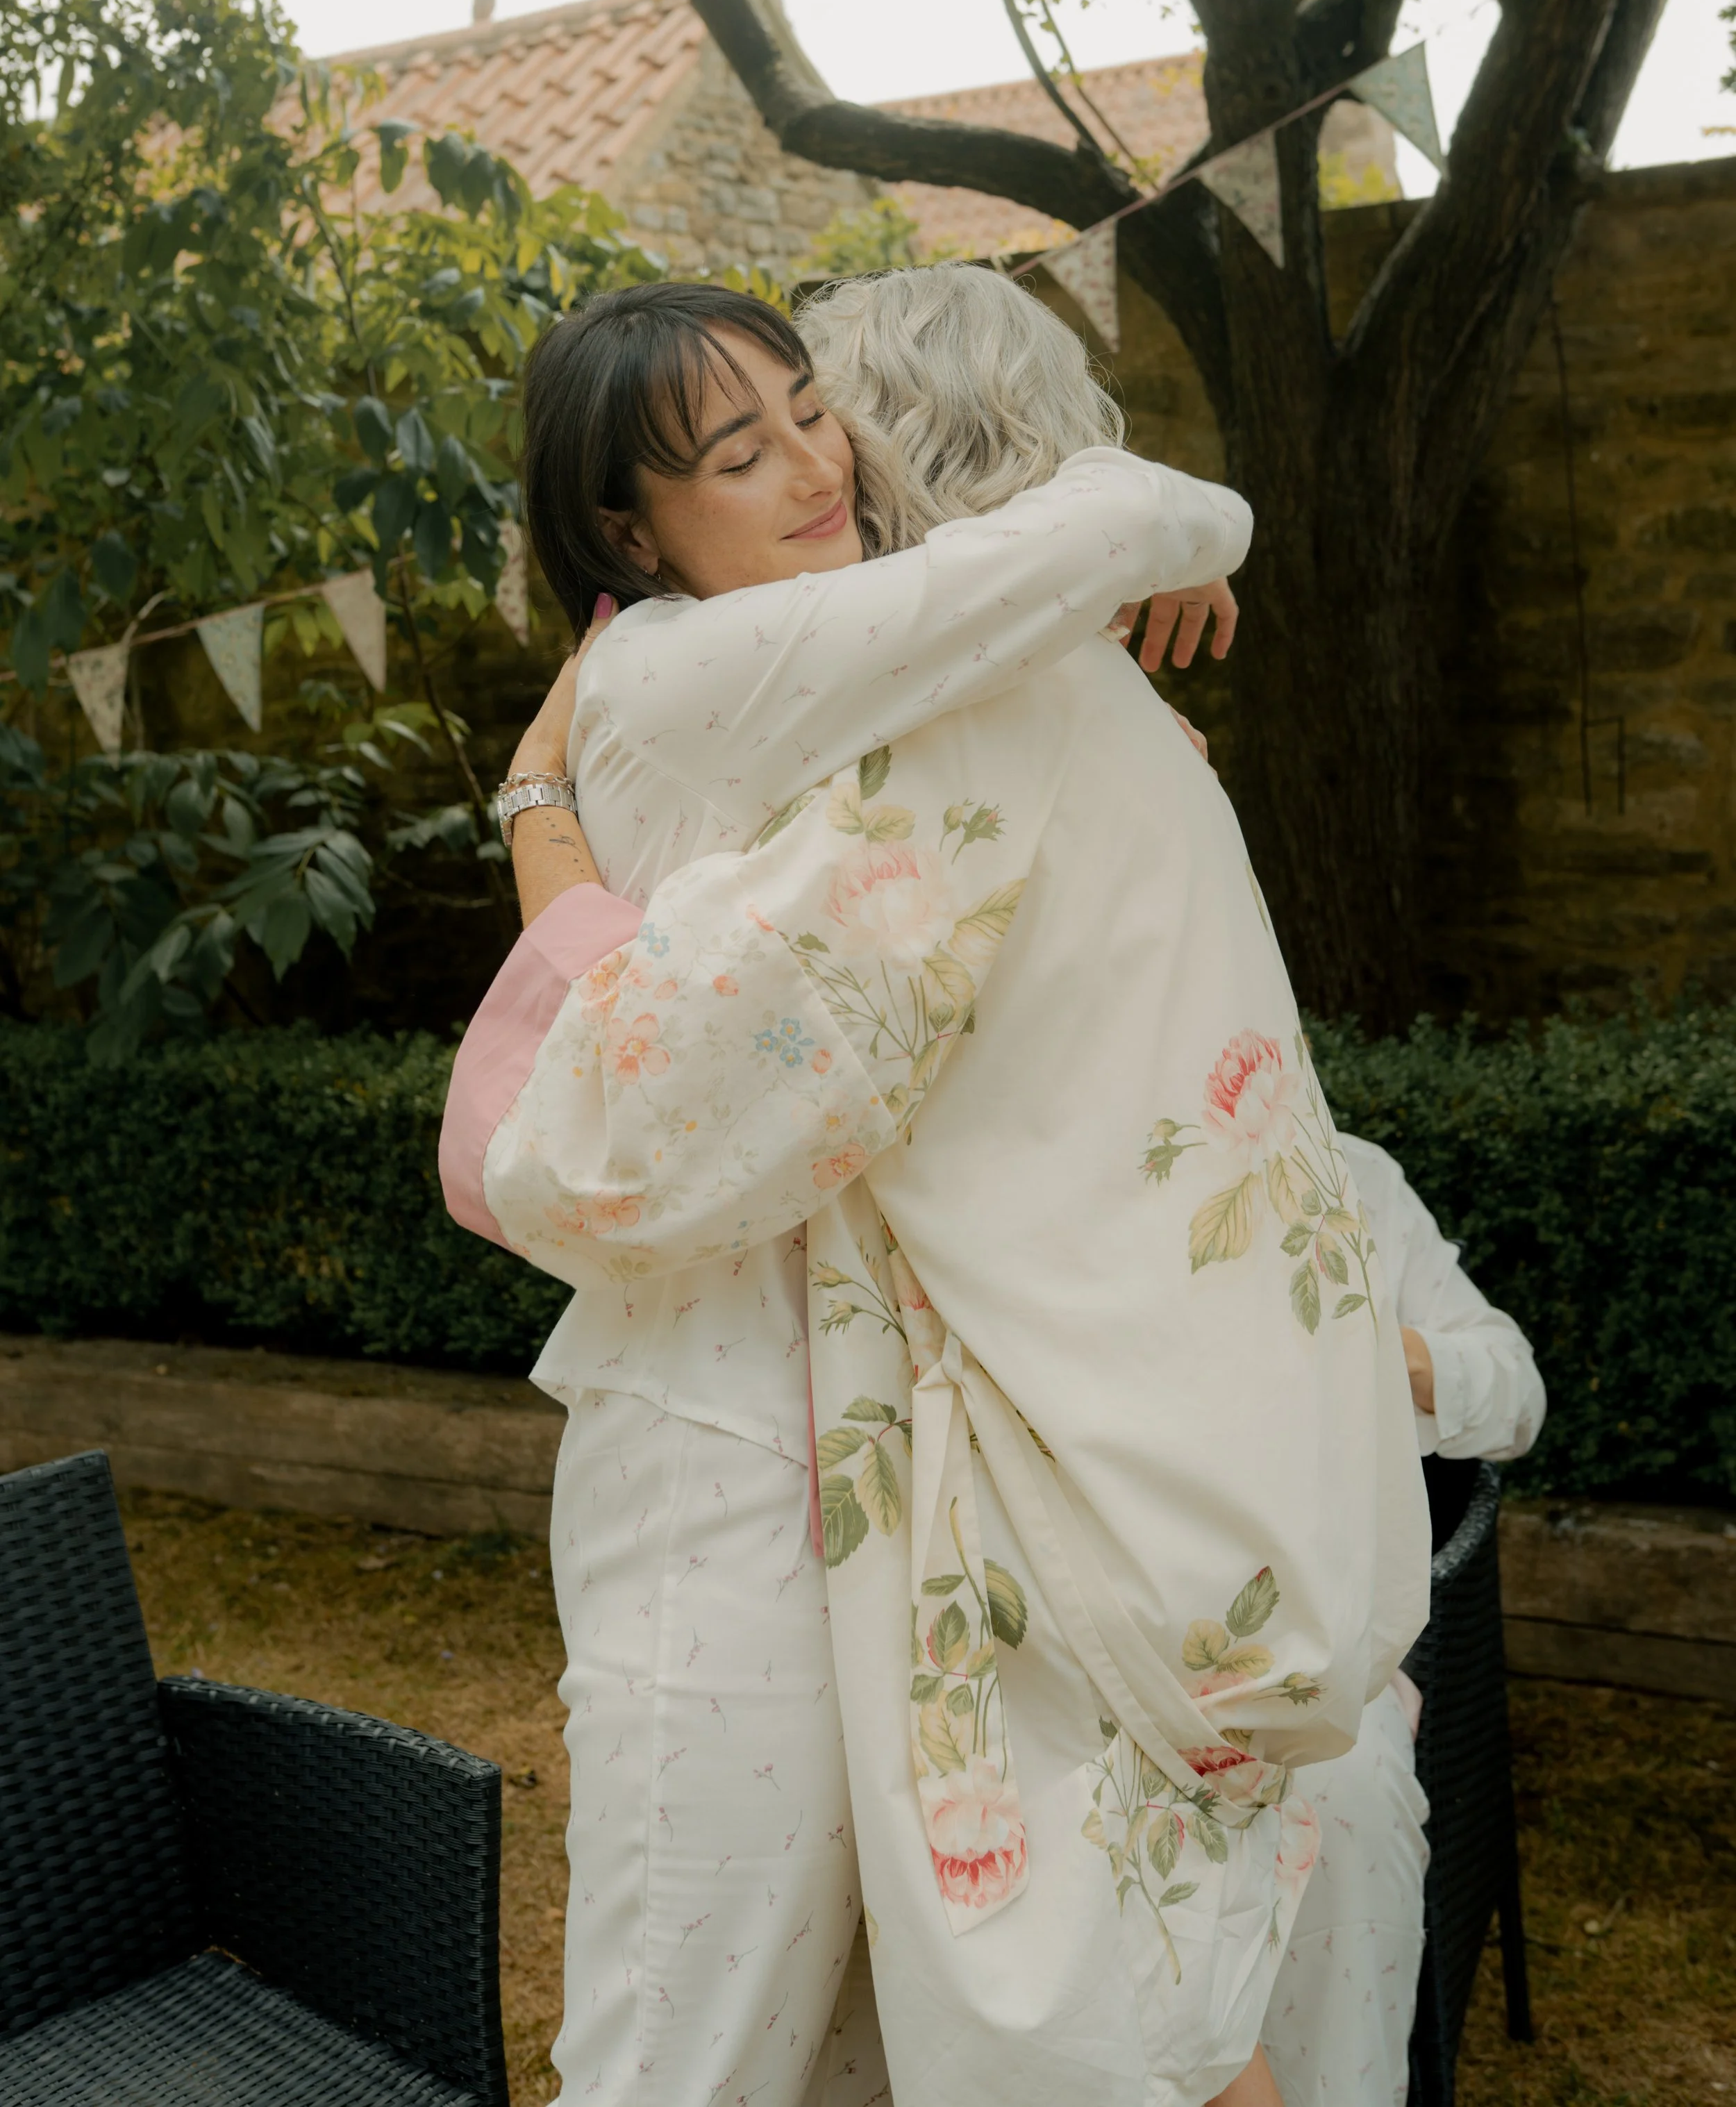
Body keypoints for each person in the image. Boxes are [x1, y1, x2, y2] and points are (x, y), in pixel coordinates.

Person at [442, 269, 1431, 2107]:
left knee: (967, 2020)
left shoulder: (935, 734)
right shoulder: (901, 702)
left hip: (922, 1466)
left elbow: (616, 1139)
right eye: (740, 450)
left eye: (816, 410)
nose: (815, 468)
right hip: (1032, 1460)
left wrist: (537, 828)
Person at [1260, 1133, 1546, 2107]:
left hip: (1320, 1636)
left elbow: (1514, 1392)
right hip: (1092, 1624)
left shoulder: (1351, 1178)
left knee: (1343, 1790)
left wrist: (1367, 1348)